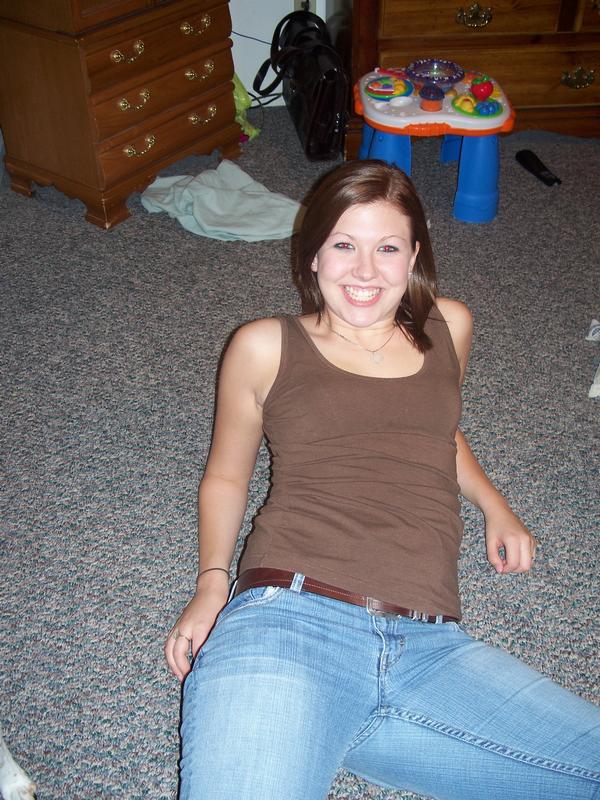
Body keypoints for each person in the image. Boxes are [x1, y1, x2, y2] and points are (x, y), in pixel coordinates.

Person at [165, 160, 600, 800]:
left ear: (414, 256)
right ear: (312, 255)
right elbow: (228, 476)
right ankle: (320, 723)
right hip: (289, 620)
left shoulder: (450, 325)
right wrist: (210, 584)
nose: (365, 271)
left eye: (387, 248)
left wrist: (494, 504)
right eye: (344, 245)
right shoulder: (264, 345)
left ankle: (334, 728)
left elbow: (436, 429)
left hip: (433, 649)